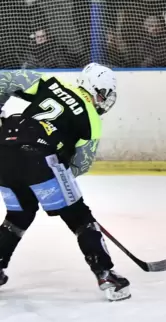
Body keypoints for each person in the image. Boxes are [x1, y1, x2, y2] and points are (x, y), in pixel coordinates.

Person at [0, 63, 130, 301]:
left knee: (18, 215)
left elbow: (6, 80)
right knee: (80, 218)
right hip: (40, 161)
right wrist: (51, 179)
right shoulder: (92, 120)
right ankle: (106, 275)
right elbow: (81, 165)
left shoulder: (50, 83)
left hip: (3, 155)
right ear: (98, 90)